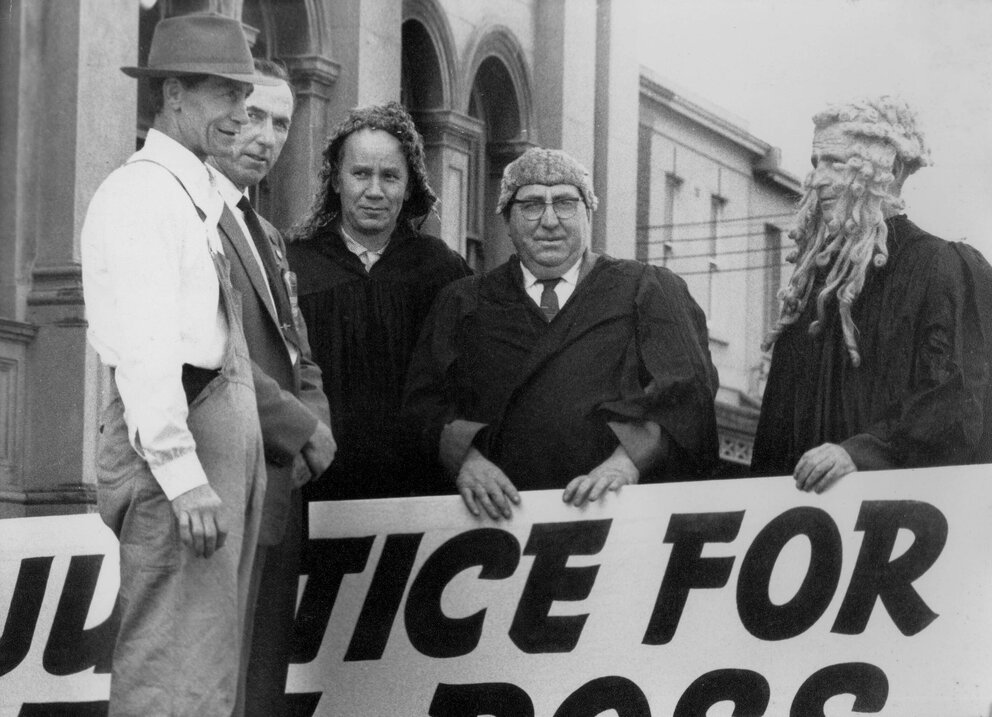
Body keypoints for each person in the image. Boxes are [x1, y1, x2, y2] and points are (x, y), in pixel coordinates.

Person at [80, 13, 279, 716]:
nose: (239, 115)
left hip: (215, 442)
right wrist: (182, 474)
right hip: (181, 450)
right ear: (172, 94)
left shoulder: (192, 195)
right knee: (171, 673)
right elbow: (144, 346)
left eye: (245, 98)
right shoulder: (142, 195)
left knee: (206, 670)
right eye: (223, 94)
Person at [402, 147, 720, 520]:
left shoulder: (647, 290)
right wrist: (465, 460)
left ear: (589, 213)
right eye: (532, 205)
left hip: (617, 521)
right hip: (496, 524)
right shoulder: (463, 302)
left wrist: (626, 462)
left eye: (566, 203)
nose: (549, 220)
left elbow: (688, 390)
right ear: (507, 218)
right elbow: (422, 407)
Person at [752, 96, 992, 492]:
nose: (818, 179)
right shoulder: (813, 288)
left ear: (893, 169)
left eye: (836, 162)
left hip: (903, 517)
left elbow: (952, 404)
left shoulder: (943, 267)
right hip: (802, 521)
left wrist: (862, 453)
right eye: (816, 163)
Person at [206, 59, 336, 715]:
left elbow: (298, 352)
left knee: (260, 688)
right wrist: (299, 425)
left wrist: (318, 422)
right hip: (215, 487)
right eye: (253, 115)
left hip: (277, 487)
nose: (266, 135)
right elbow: (207, 350)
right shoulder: (188, 214)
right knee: (209, 683)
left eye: (281, 122)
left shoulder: (266, 234)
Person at [287, 102, 471, 500]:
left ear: (409, 186)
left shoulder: (441, 270)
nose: (374, 190)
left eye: (390, 176)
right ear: (336, 181)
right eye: (360, 174)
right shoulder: (293, 264)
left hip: (417, 489)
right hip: (316, 489)